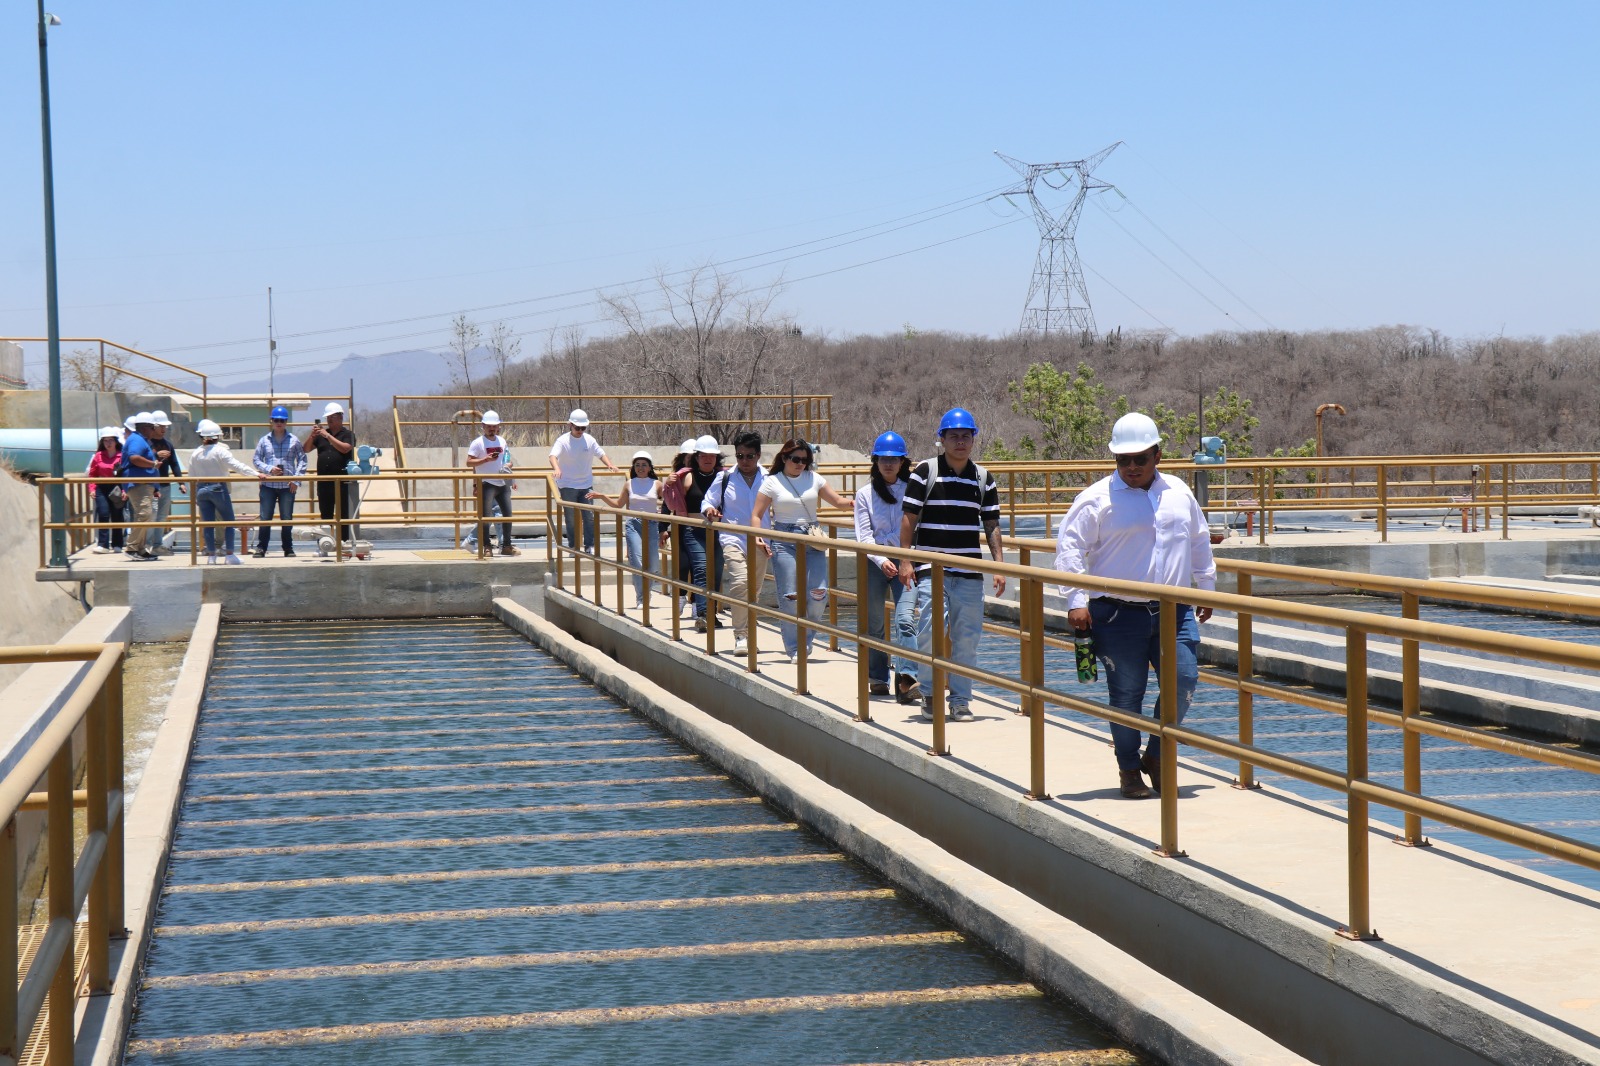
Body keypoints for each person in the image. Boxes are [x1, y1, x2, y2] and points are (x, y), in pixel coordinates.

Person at [1053, 412, 1216, 799]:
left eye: (1139, 459)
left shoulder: (1178, 493)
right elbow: (1070, 549)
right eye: (1122, 460)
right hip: (1116, 612)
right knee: (1127, 694)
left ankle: (1156, 755)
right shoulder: (1095, 499)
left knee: (1185, 681)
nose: (1131, 467)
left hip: (1174, 610)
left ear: (1157, 455)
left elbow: (1198, 539)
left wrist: (1206, 585)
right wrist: (1076, 600)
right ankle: (1129, 769)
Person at [899, 408, 1006, 722]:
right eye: (953, 436)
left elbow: (991, 523)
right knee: (931, 630)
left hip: (969, 570)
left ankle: (960, 700)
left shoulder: (983, 478)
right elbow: (909, 518)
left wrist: (999, 565)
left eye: (966, 435)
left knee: (968, 636)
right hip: (932, 567)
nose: (960, 441)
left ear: (973, 438)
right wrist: (905, 559)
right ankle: (931, 693)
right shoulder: (925, 472)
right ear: (942, 439)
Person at [752, 438, 852, 662]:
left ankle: (806, 640)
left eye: (805, 461)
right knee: (790, 596)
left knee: (819, 594)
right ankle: (794, 648)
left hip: (812, 538)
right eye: (795, 459)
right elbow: (757, 515)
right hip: (784, 540)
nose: (800, 464)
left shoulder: (814, 478)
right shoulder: (772, 482)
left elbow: (837, 501)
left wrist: (857, 503)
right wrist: (759, 536)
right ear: (785, 458)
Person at [855, 431, 920, 702]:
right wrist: (881, 560)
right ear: (876, 460)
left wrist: (906, 558)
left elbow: (919, 527)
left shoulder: (913, 490)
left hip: (907, 561)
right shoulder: (865, 494)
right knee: (874, 623)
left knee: (905, 618)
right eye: (884, 458)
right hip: (874, 562)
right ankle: (878, 678)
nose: (889, 464)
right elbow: (864, 535)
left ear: (903, 462)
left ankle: (907, 679)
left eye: (894, 459)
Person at [702, 431, 772, 654]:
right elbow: (708, 500)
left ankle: (750, 635)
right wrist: (709, 510)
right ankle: (740, 636)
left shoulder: (769, 478)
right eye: (740, 455)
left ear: (758, 455)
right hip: (732, 537)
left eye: (749, 456)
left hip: (761, 540)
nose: (744, 461)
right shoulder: (725, 477)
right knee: (740, 582)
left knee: (754, 590)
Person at [668, 436, 727, 630]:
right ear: (697, 457)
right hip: (693, 530)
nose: (708, 459)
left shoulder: (725, 476)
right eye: (703, 455)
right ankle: (703, 614)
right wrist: (668, 485)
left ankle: (711, 612)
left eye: (712, 456)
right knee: (701, 569)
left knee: (716, 572)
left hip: (718, 530)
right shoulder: (686, 476)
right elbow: (671, 503)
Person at [588, 450, 662, 602]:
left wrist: (663, 517)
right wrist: (602, 496)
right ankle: (642, 598)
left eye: (644, 465)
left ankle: (647, 589)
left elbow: (669, 502)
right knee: (637, 562)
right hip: (633, 524)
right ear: (634, 468)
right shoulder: (629, 484)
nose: (640, 468)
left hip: (652, 524)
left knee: (653, 565)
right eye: (637, 465)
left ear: (650, 467)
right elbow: (618, 504)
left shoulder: (657, 484)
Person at [190, 419, 264, 564]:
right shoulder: (219, 451)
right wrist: (256, 474)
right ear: (217, 436)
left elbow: (192, 476)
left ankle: (211, 556)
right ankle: (230, 555)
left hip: (201, 489)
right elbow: (237, 466)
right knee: (229, 521)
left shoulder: (196, 453)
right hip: (218, 488)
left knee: (208, 524)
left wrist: (195, 497)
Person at [548, 408, 619, 552]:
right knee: (571, 518)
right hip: (567, 485)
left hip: (585, 484)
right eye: (577, 427)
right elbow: (552, 456)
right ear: (570, 425)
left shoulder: (589, 440)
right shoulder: (562, 440)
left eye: (583, 428)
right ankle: (573, 546)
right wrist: (557, 468)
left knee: (589, 516)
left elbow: (601, 453)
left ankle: (590, 545)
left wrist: (609, 464)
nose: (580, 430)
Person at [252, 405, 306, 557]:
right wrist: (269, 469)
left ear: (286, 422)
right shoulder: (264, 441)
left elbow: (302, 460)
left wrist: (296, 480)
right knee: (265, 517)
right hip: (268, 485)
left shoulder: (294, 441)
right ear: (271, 421)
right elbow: (256, 460)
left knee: (287, 518)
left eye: (282, 420)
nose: (279, 423)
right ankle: (262, 548)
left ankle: (288, 548)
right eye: (276, 420)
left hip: (287, 486)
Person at [466, 410, 519, 557]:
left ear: (498, 427)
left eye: (494, 426)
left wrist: (510, 470)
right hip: (486, 483)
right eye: (489, 426)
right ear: (483, 426)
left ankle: (506, 545)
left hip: (502, 483)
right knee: (485, 516)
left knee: (507, 514)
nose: (492, 429)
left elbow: (507, 459)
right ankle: (486, 546)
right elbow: (469, 462)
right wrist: (485, 461)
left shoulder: (502, 441)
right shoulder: (477, 443)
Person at [303, 401, 357, 543]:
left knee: (343, 514)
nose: (329, 421)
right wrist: (312, 436)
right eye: (328, 418)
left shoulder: (348, 434)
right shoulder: (321, 435)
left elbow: (345, 448)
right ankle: (325, 543)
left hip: (342, 482)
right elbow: (306, 449)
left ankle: (344, 542)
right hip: (324, 482)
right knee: (325, 515)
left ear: (340, 417)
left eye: (332, 418)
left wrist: (328, 436)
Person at [119, 413, 162, 561]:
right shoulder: (137, 440)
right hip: (138, 484)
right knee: (144, 514)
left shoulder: (140, 440)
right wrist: (153, 464)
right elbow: (134, 458)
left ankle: (140, 549)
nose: (154, 431)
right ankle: (132, 548)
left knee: (146, 515)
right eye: (152, 428)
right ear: (145, 428)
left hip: (144, 484)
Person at [147, 411, 185, 554]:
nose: (164, 429)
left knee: (162, 516)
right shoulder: (147, 443)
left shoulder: (167, 444)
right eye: (161, 426)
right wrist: (156, 455)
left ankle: (157, 545)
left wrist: (180, 482)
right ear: (154, 426)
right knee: (152, 515)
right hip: (150, 486)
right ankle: (147, 545)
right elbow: (139, 457)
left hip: (164, 485)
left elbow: (174, 463)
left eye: (166, 427)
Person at [87, 427, 126, 554]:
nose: (108, 443)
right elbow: (92, 474)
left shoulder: (122, 455)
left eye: (110, 440)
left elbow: (126, 474)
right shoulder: (98, 456)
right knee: (103, 513)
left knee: (117, 515)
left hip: (117, 487)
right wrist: (92, 488)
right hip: (102, 487)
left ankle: (117, 544)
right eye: (105, 441)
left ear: (116, 441)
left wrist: (125, 490)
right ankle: (103, 545)